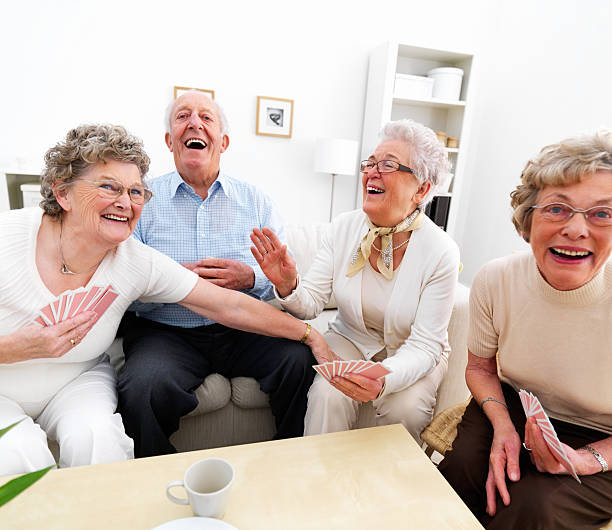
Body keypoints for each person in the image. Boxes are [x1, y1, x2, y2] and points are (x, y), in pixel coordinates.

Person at [0, 124, 332, 476]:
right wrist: (16, 347)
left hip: (75, 382)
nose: (125, 203)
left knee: (100, 441)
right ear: (63, 194)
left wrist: (309, 334)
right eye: (108, 187)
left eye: (135, 192)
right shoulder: (10, 235)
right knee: (17, 452)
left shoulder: (134, 260)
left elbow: (228, 304)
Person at [117, 91, 317, 457]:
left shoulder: (256, 201)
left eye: (206, 117)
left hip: (244, 328)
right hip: (167, 333)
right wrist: (169, 278)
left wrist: (251, 277)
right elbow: (124, 277)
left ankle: (288, 461)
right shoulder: (140, 201)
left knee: (299, 362)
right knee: (141, 387)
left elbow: (279, 274)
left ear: (223, 142)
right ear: (169, 141)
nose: (194, 123)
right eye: (183, 116)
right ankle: (158, 476)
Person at [439, 130, 612, 529]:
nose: (575, 230)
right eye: (557, 209)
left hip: (602, 436)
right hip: (514, 405)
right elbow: (480, 368)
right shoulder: (496, 279)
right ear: (528, 219)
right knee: (463, 473)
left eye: (602, 213)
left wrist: (588, 459)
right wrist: (503, 425)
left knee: (532, 508)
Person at [250, 119, 460, 441]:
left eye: (388, 165)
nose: (372, 173)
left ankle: (384, 489)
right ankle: (323, 484)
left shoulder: (441, 251)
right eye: (371, 163)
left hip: (413, 350)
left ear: (422, 189)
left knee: (405, 409)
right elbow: (311, 305)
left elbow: (426, 344)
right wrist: (288, 284)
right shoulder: (343, 227)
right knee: (326, 395)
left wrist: (383, 378)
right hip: (350, 340)